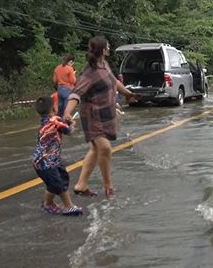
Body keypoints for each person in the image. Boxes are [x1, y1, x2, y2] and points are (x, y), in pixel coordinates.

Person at [63, 36, 138, 199]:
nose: (109, 48)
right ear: (104, 50)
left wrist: (128, 94)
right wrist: (67, 113)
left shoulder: (104, 65)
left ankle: (81, 185)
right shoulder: (89, 72)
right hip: (92, 115)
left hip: (106, 113)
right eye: (108, 46)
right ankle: (108, 187)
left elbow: (113, 82)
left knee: (95, 149)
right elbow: (76, 93)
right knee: (104, 148)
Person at [32, 96, 82, 216]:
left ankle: (47, 204)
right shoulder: (55, 120)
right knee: (57, 184)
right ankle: (68, 206)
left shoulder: (45, 121)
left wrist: (65, 122)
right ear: (54, 107)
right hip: (46, 162)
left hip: (46, 161)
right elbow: (68, 131)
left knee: (59, 180)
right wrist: (72, 124)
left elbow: (60, 125)